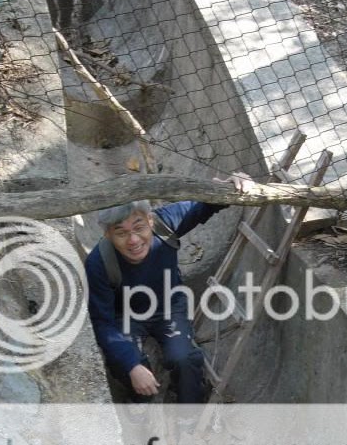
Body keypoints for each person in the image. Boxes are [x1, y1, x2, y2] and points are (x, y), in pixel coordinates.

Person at [85, 172, 254, 404]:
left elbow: (204, 205)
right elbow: (102, 321)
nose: (133, 240)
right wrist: (132, 365)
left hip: (169, 306)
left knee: (185, 359)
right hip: (125, 315)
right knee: (125, 363)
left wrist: (231, 185)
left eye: (139, 227)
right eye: (121, 233)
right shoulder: (99, 262)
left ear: (150, 221)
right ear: (107, 234)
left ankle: (188, 413)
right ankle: (141, 406)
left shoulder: (164, 224)